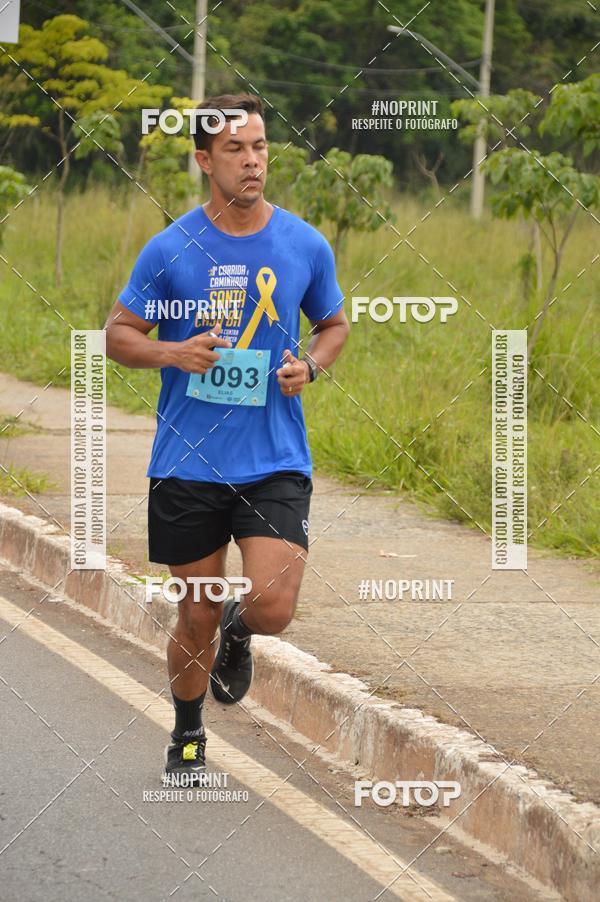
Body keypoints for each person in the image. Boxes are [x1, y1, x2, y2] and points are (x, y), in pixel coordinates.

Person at [105, 93, 349, 785]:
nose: (253, 160)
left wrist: (313, 365)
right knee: (196, 611)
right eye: (237, 149)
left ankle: (241, 633)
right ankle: (187, 732)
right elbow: (119, 336)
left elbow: (333, 324)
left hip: (274, 456)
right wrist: (173, 354)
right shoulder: (171, 248)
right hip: (189, 460)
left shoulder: (304, 243)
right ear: (204, 159)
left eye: (261, 146)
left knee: (271, 604)